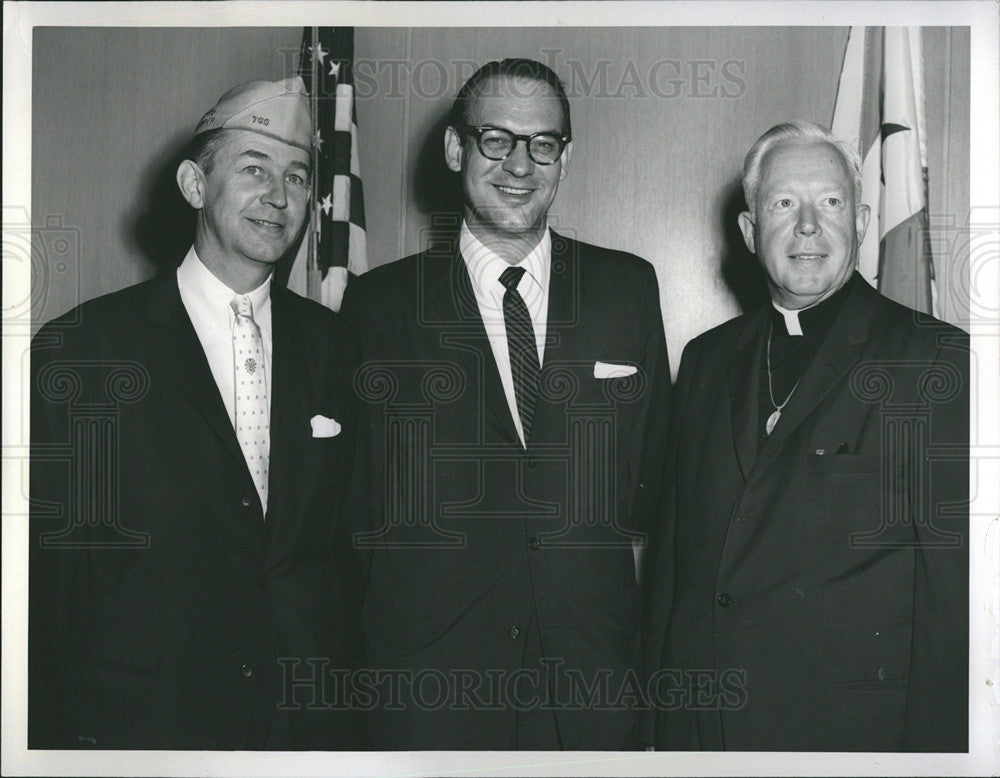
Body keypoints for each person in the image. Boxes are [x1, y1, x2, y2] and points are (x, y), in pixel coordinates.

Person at [340, 58, 671, 749]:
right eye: (497, 139)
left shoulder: (626, 289)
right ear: (456, 148)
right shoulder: (380, 306)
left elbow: (649, 484)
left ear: (565, 156)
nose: (521, 163)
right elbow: (355, 508)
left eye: (542, 143)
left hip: (590, 687)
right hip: (432, 688)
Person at [29, 77, 364, 749]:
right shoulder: (87, 350)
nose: (278, 196)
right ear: (192, 185)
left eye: (297, 177)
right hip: (145, 731)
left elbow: (347, 562)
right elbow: (50, 588)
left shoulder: (338, 348)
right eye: (254, 170)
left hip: (302, 733)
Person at [644, 120, 968, 751]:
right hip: (706, 732)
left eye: (830, 203)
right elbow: (675, 561)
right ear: (748, 231)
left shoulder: (932, 361)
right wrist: (661, 723)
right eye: (783, 204)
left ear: (864, 220)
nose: (809, 227)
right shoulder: (706, 360)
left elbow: (952, 604)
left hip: (849, 738)